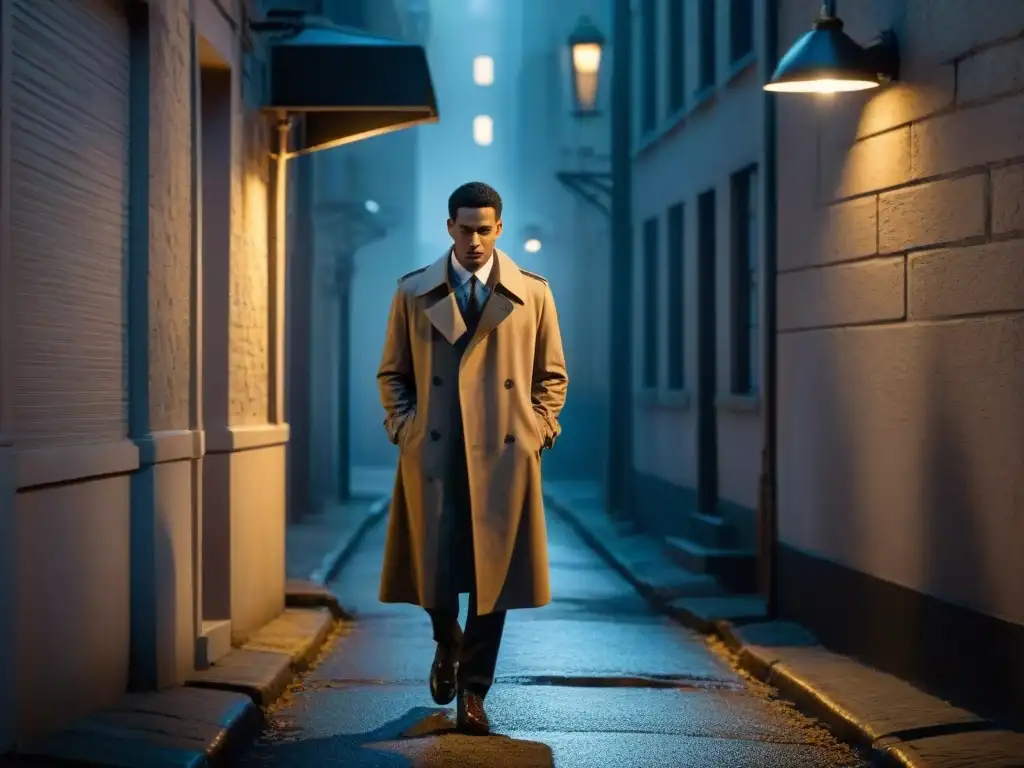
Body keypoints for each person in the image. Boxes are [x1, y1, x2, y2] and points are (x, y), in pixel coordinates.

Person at [376, 181, 568, 735]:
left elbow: (551, 376)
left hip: (503, 456)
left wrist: (537, 430)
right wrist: (404, 428)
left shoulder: (532, 294)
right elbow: (393, 373)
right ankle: (446, 642)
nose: (476, 240)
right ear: (449, 228)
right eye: (465, 229)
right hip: (435, 453)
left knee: (494, 580)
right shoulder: (414, 292)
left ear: (499, 229)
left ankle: (474, 693)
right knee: (435, 571)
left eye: (485, 229)